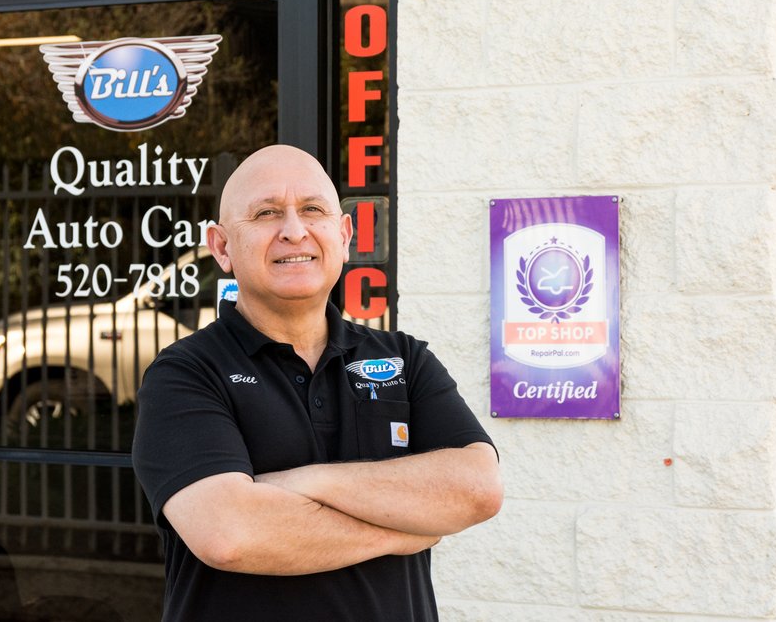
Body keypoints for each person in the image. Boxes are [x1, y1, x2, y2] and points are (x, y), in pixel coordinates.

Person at [131, 144, 503, 621]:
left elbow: (477, 489)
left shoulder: (404, 358)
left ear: (343, 236)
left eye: (312, 209)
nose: (294, 230)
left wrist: (303, 481)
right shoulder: (185, 373)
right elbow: (230, 534)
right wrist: (406, 529)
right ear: (222, 247)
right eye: (266, 213)